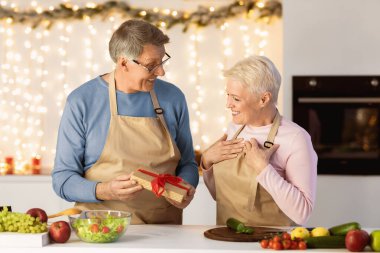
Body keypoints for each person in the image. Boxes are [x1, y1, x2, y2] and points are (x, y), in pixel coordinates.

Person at [52, 19, 199, 224]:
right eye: (151, 65)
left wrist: (185, 188)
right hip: (100, 229)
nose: (161, 72)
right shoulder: (82, 101)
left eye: (162, 61)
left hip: (164, 230)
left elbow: (188, 163)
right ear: (123, 63)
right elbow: (63, 179)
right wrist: (105, 190)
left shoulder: (173, 97)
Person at [201, 55, 317, 226]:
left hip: (271, 244)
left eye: (236, 98)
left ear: (263, 99)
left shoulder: (295, 138)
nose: (228, 104)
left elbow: (302, 213)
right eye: (228, 95)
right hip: (226, 239)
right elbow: (221, 196)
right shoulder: (234, 129)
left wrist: (263, 168)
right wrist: (207, 162)